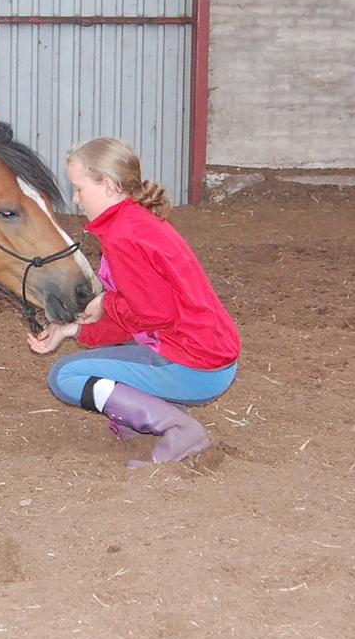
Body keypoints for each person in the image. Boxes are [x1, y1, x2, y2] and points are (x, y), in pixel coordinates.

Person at [28, 137, 241, 468]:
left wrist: (106, 304)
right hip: (205, 355)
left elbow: (152, 313)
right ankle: (154, 418)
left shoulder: (124, 236)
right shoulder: (135, 223)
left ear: (110, 186)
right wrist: (73, 330)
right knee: (95, 365)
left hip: (194, 365)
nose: (75, 198)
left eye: (80, 188)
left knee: (66, 376)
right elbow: (140, 315)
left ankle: (179, 428)